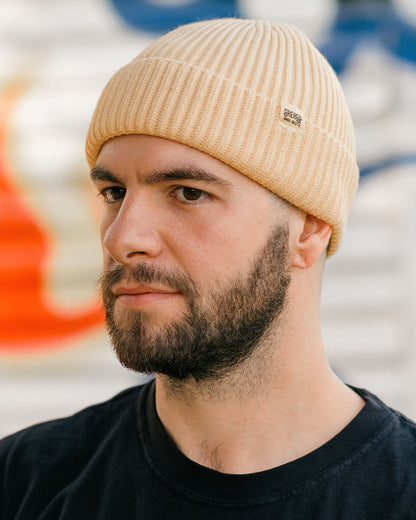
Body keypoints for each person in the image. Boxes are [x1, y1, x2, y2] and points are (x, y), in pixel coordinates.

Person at [1, 18, 415, 519]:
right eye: (114, 193)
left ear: (307, 230)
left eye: (188, 193)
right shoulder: (24, 484)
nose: (122, 237)